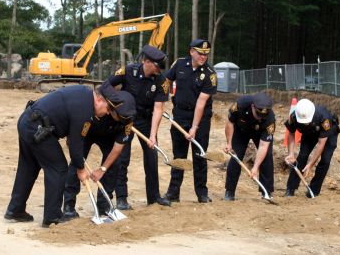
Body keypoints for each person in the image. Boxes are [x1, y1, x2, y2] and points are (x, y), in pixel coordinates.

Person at [4, 84, 124, 228]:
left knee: (28, 167)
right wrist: (80, 169)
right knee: (58, 169)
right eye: (108, 108)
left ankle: (15, 209)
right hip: (38, 128)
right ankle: (52, 217)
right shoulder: (85, 109)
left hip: (27, 121)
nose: (108, 113)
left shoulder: (84, 95)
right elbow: (75, 143)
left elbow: (72, 131)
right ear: (99, 100)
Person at [108, 44, 171, 209]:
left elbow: (158, 108)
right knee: (123, 158)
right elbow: (106, 86)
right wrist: (115, 105)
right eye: (157, 66)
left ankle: (154, 197)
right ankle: (121, 198)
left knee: (152, 157)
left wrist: (153, 135)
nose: (159, 70)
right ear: (147, 62)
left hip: (146, 120)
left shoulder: (161, 80)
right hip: (126, 120)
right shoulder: (128, 71)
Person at [63, 82, 136, 219]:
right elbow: (77, 122)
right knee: (76, 162)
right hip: (88, 132)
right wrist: (72, 140)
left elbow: (118, 147)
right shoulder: (101, 106)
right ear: (112, 108)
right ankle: (69, 205)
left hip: (109, 137)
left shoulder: (128, 118)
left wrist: (102, 169)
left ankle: (104, 206)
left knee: (114, 164)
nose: (121, 120)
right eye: (118, 117)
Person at [163, 39, 217, 203]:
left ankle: (201, 193)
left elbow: (201, 103)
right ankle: (173, 193)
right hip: (179, 115)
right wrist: (162, 97)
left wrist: (194, 127)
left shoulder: (210, 74)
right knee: (179, 156)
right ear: (191, 51)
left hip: (200, 120)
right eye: (200, 53)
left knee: (200, 155)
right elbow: (166, 79)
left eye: (206, 54)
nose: (203, 57)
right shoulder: (179, 64)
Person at [223, 92, 276, 201]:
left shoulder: (270, 119)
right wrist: (229, 143)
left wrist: (255, 167)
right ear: (252, 106)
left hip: (260, 133)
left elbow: (263, 146)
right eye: (258, 115)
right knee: (235, 156)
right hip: (241, 130)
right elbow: (230, 122)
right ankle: (229, 191)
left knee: (267, 157)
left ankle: (266, 191)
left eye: (263, 117)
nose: (260, 118)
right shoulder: (240, 105)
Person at [284, 98, 340, 198]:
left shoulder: (324, 118)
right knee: (302, 156)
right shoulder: (294, 116)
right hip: (309, 133)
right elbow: (291, 134)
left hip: (328, 134)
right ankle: (291, 188)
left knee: (325, 160)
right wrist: (291, 153)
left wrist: (310, 164)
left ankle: (314, 190)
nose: (305, 122)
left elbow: (321, 144)